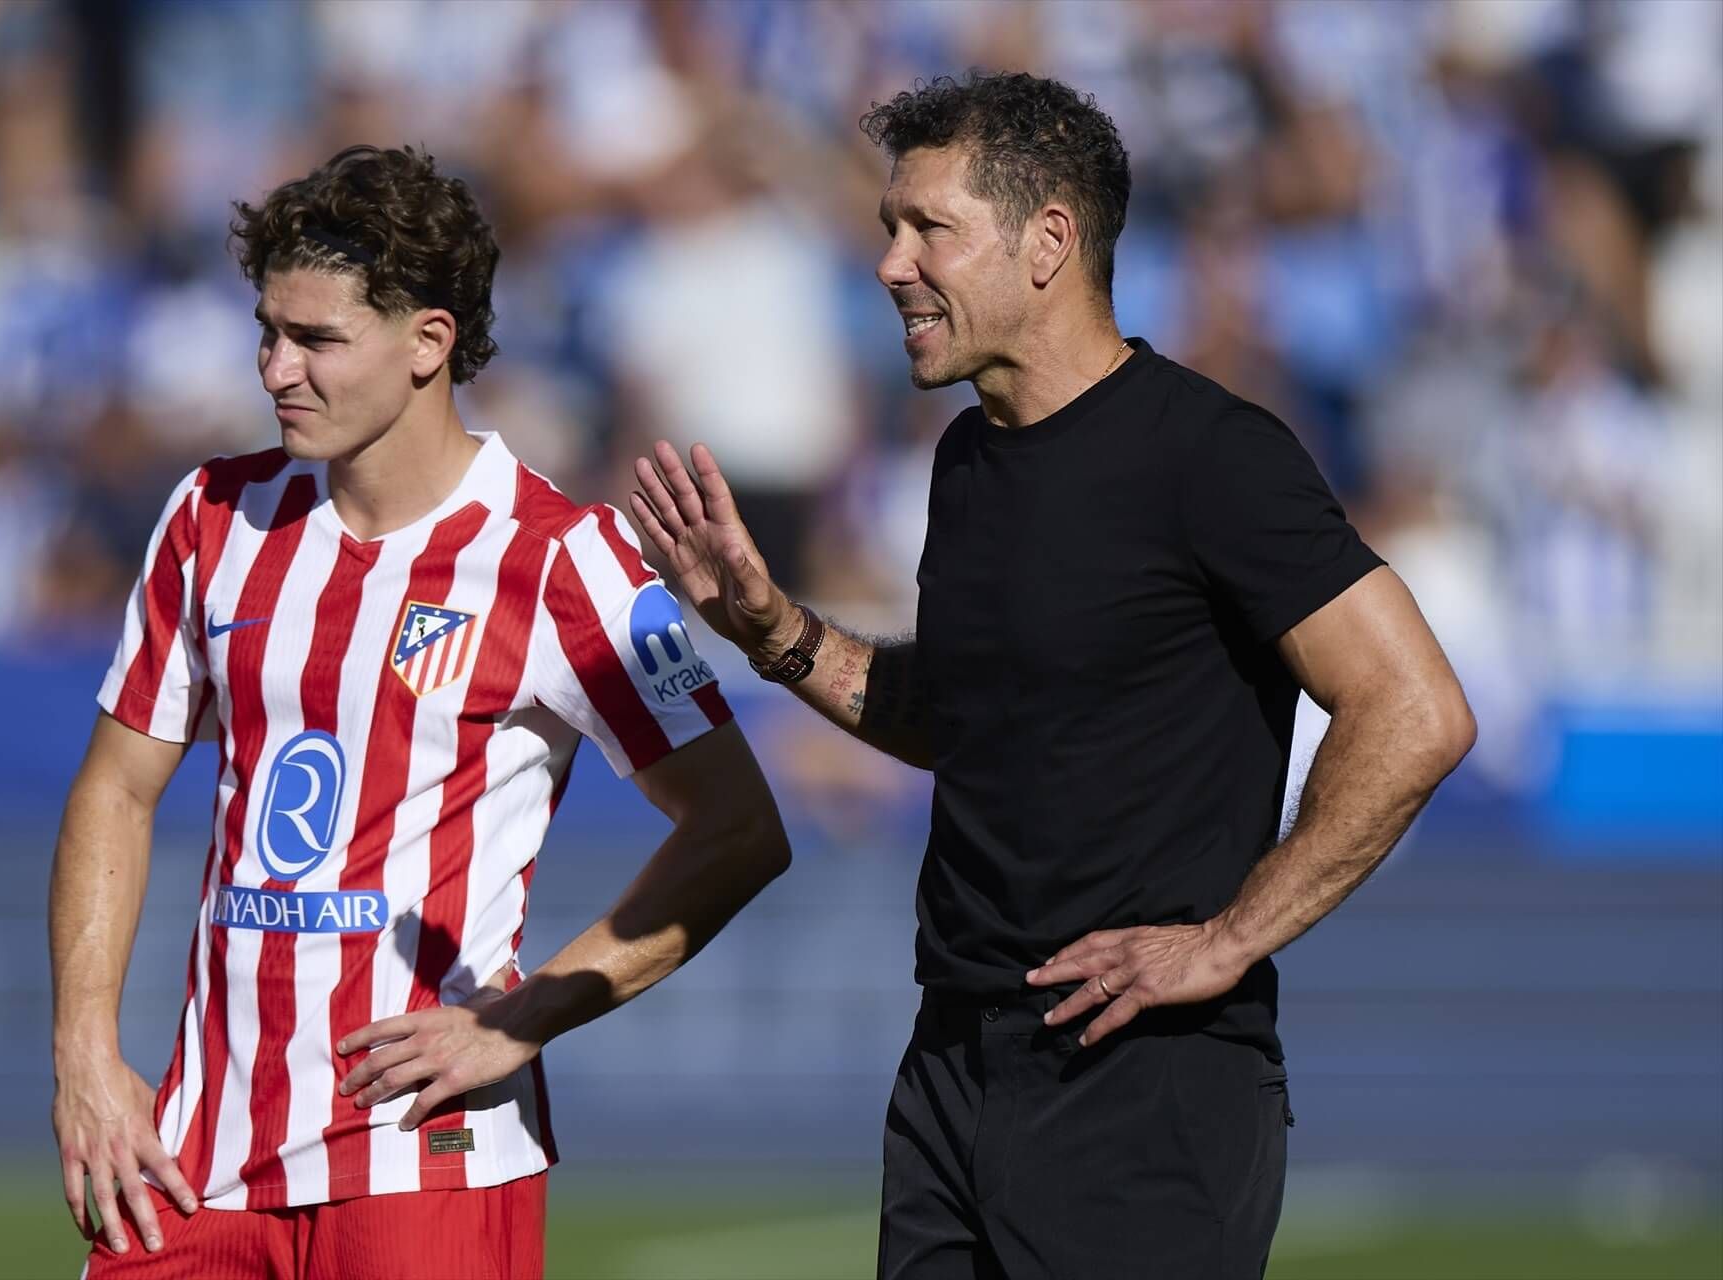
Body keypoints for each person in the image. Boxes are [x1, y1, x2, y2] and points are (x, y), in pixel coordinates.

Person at [630, 72, 1475, 1280]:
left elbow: (1419, 709)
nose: (890, 265)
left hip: (1143, 1082)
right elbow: (962, 717)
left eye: (930, 229)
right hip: (951, 1069)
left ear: (1050, 243)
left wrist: (1228, 937)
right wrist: (773, 630)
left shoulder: (1211, 453)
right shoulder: (969, 458)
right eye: (888, 229)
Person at [48, 144, 791, 1280]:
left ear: (428, 343)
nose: (276, 369)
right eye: (268, 330)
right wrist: (85, 1055)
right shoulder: (211, 516)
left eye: (318, 340)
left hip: (424, 1161)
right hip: (197, 1157)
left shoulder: (561, 561)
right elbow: (117, 783)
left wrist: (522, 1013)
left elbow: (738, 827)